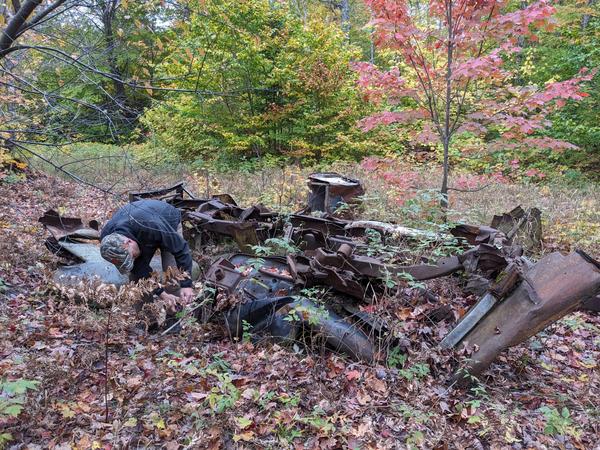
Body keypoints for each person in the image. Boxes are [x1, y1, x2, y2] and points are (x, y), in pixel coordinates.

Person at [99, 199, 195, 312]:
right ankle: (146, 319)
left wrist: (186, 284)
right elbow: (140, 271)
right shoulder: (108, 241)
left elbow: (181, 250)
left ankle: (173, 320)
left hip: (166, 221)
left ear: (128, 242)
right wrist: (163, 295)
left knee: (173, 275)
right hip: (141, 231)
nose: (134, 260)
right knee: (137, 280)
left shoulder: (151, 225)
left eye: (132, 257)